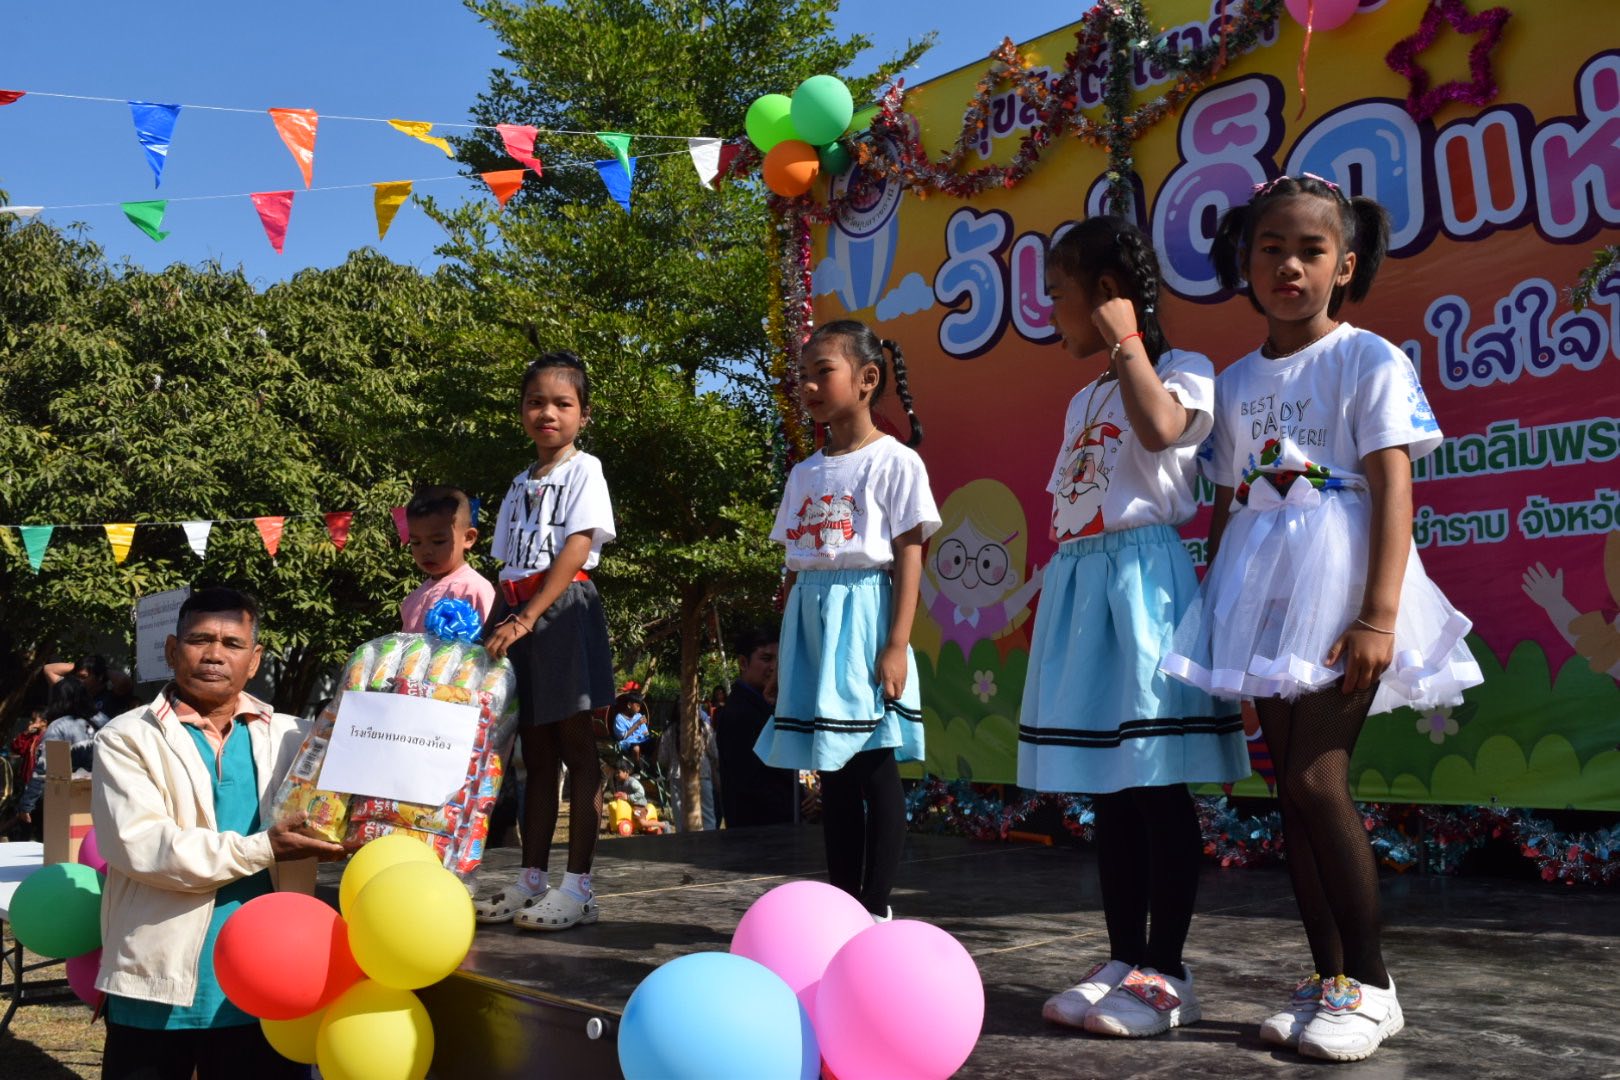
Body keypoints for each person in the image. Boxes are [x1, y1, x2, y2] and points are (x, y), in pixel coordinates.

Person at [1163, 174, 1482, 1062]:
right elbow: (1227, 505)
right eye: (1272, 249)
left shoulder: (1367, 358)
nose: (1290, 267)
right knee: (1290, 792)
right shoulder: (1233, 381)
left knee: (1316, 778)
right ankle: (1330, 979)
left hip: (1341, 589)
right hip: (1261, 593)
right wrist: (1221, 623)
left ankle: (1373, 986)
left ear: (1345, 265)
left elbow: (1392, 487)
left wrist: (1379, 615)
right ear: (1244, 261)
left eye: (1311, 251)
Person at [1019, 217, 1250, 1039]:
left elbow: (1160, 430)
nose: (1050, 312)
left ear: (1108, 295)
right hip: (1086, 585)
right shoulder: (1081, 396)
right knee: (1110, 786)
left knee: (1154, 780)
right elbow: (1078, 501)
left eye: (1060, 294)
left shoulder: (1184, 370)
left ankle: (1168, 970)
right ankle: (1123, 958)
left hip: (1144, 585)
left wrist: (1126, 343)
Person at [91, 586, 346, 1079]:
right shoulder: (127, 737)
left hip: (270, 979)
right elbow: (144, 847)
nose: (214, 654)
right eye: (199, 639)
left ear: (255, 659)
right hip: (158, 984)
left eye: (232, 643)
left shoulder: (295, 736)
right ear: (172, 650)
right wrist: (265, 847)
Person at [754, 320, 940, 921]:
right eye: (802, 376)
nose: (808, 385)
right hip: (811, 621)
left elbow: (909, 554)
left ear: (867, 379)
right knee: (831, 772)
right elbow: (793, 567)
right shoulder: (804, 472)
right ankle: (844, 908)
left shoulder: (895, 461)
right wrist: (783, 659)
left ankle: (876, 905)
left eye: (822, 372)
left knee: (874, 766)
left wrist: (896, 644)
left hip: (863, 617)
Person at [476, 350, 617, 932]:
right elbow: (507, 563)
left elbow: (577, 546)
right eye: (536, 402)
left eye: (562, 403)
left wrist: (530, 616)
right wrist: (496, 625)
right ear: (522, 411)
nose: (548, 413)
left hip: (561, 613)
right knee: (533, 757)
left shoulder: (585, 470)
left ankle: (578, 888)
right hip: (518, 613)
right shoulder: (518, 482)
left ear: (584, 414)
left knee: (576, 749)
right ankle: (530, 880)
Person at [716, 626, 798, 827]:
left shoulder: (768, 705)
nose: (774, 667)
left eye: (779, 660)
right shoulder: (738, 713)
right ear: (743, 663)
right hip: (757, 828)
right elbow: (754, 780)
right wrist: (801, 799)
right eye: (766, 659)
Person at [17, 676, 110, 829]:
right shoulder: (104, 720)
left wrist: (27, 804)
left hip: (72, 800)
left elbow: (43, 767)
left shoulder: (58, 727)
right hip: (105, 795)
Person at [401, 485, 496, 633]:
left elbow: (491, 639)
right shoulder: (412, 599)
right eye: (416, 542)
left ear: (468, 538)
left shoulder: (473, 588)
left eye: (438, 542)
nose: (426, 551)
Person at [611, 692, 651, 761]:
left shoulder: (639, 716)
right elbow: (622, 737)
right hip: (628, 743)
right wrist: (637, 724)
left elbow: (645, 732)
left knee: (657, 742)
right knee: (636, 748)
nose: (639, 709)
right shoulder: (619, 718)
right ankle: (637, 766)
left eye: (640, 706)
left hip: (641, 741)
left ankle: (652, 765)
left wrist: (648, 736)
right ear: (629, 705)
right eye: (637, 706)